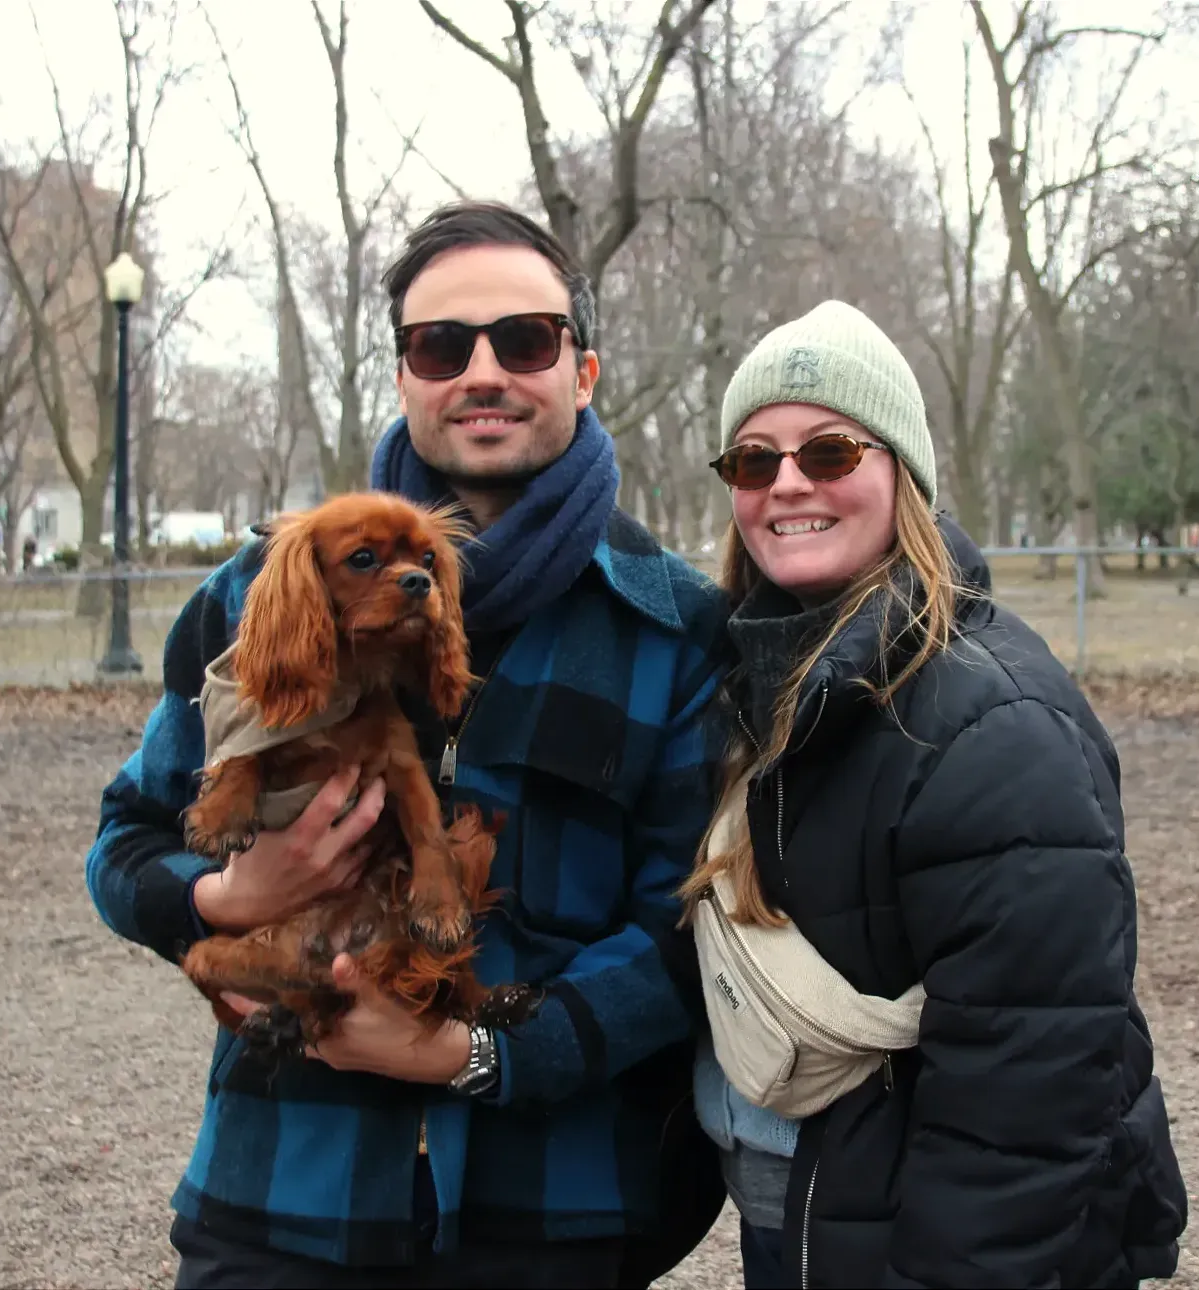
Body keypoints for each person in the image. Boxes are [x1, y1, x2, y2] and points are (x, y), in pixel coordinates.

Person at [86, 201, 728, 1289]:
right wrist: (222, 901)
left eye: (525, 340)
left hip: (552, 1223)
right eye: (443, 344)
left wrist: (473, 1054)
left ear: (583, 371)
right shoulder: (251, 593)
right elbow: (123, 845)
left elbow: (684, 936)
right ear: (402, 376)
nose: (484, 371)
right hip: (277, 1207)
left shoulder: (675, 628)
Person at [685, 300, 1188, 1288]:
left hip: (910, 1228)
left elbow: (1027, 1091)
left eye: (829, 452)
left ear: (901, 473)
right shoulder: (759, 676)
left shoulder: (992, 726)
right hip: (817, 1202)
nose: (787, 483)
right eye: (753, 460)